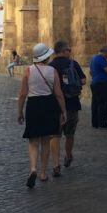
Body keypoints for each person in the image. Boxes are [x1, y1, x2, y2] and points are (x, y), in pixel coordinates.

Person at [17, 43, 67, 187]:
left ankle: (33, 168)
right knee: (46, 140)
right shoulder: (52, 71)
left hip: (33, 105)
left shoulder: (28, 71)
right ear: (46, 56)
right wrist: (63, 111)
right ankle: (43, 173)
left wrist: (20, 111)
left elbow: (22, 94)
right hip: (49, 105)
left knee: (33, 141)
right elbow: (58, 94)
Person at [49, 41, 86, 170]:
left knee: (55, 135)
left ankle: (55, 164)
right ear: (63, 51)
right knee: (69, 134)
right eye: (69, 50)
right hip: (72, 104)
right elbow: (83, 80)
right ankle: (68, 155)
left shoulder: (51, 66)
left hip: (55, 105)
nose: (70, 52)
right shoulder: (73, 64)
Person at [89, 45, 107, 128]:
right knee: (103, 104)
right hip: (101, 84)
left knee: (95, 104)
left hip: (95, 82)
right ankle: (102, 123)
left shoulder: (93, 58)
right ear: (105, 52)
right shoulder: (101, 59)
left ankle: (95, 123)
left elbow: (90, 72)